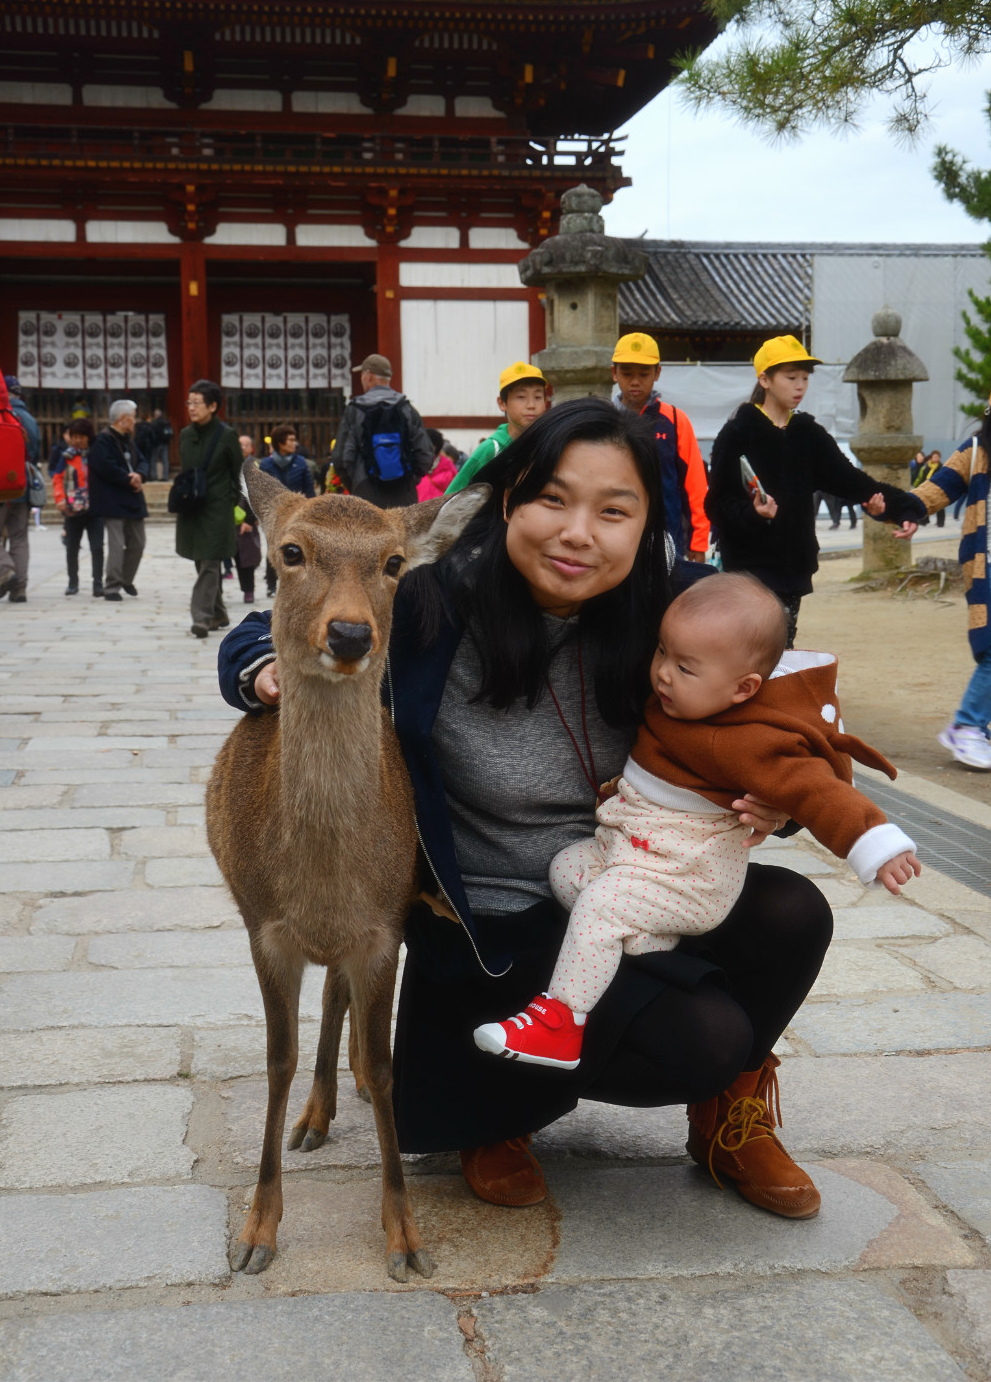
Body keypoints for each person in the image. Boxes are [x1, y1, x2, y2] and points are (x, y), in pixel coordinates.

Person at [219, 398, 833, 1222]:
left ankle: (728, 1112)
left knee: (795, 911)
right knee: (702, 1036)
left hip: (623, 878)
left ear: (648, 520)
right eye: (553, 499)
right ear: (506, 502)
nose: (578, 532)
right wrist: (258, 669)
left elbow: (782, 703)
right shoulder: (431, 602)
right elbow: (282, 619)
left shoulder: (676, 609)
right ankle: (500, 1113)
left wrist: (780, 793)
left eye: (613, 510)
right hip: (496, 924)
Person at [474, 572, 919, 1077]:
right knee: (565, 868)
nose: (663, 673)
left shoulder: (750, 739)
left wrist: (875, 844)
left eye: (684, 667)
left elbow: (816, 789)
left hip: (689, 877)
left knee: (600, 906)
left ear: (743, 688)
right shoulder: (680, 703)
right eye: (662, 652)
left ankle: (560, 1022)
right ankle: (639, 939)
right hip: (629, 852)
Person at [706, 335, 925, 646]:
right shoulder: (738, 432)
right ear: (765, 379)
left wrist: (900, 508)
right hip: (748, 565)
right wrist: (752, 513)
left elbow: (853, 481)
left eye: (805, 378)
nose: (800, 386)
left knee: (782, 647)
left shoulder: (809, 434)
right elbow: (715, 504)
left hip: (794, 566)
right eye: (791, 377)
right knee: (752, 648)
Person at [896, 368, 991, 771]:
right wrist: (910, 510)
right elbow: (941, 484)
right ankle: (965, 726)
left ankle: (975, 731)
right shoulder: (979, 449)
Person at [611, 333, 710, 566]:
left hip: (668, 535)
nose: (635, 381)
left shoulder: (675, 420)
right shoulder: (604, 419)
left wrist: (698, 542)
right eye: (627, 373)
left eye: (644, 374)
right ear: (614, 373)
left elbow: (695, 485)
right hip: (614, 533)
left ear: (657, 373)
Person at [176, 380, 243, 639]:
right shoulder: (185, 435)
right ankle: (218, 613)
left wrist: (232, 501)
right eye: (189, 402)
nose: (191, 408)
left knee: (210, 562)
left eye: (197, 403)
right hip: (192, 506)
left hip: (217, 509)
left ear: (213, 406)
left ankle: (201, 618)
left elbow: (239, 472)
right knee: (200, 559)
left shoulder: (227, 435)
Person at [330, 353, 433, 508]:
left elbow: (342, 457)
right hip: (404, 492)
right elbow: (425, 453)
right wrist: (411, 479)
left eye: (362, 375)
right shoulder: (406, 408)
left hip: (365, 492)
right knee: (403, 532)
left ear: (368, 376)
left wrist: (356, 485)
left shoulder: (355, 410)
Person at [446, 362, 548, 493]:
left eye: (538, 397)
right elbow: (450, 498)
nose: (531, 405)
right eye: (521, 397)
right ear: (502, 403)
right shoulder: (491, 450)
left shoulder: (548, 445)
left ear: (545, 402)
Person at [88, 399, 147, 603]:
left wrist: (139, 474)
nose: (135, 421)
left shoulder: (128, 439)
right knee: (116, 544)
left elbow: (142, 461)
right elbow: (105, 466)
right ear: (124, 419)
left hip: (133, 498)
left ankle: (126, 579)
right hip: (113, 500)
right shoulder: (103, 440)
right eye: (133, 417)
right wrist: (128, 478)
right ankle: (112, 585)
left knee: (138, 543)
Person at [0, 376, 41, 604]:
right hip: (20, 485)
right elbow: (36, 450)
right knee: (19, 537)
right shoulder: (27, 419)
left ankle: (5, 570)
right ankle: (19, 589)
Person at [259, 423, 315, 597]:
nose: (294, 443)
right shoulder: (266, 465)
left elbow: (309, 490)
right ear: (280, 442)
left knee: (297, 550)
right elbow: (261, 491)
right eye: (290, 439)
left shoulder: (301, 463)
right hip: (275, 516)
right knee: (274, 548)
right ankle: (271, 583)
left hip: (299, 515)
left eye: (294, 439)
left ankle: (297, 582)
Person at [52, 418, 103, 597]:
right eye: (75, 437)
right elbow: (58, 478)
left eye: (82, 437)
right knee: (72, 547)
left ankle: (98, 583)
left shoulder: (97, 454)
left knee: (97, 547)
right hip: (73, 508)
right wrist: (60, 498)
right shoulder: (66, 457)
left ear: (89, 437)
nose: (79, 441)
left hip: (95, 507)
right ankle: (72, 582)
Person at [234, 435, 262, 605]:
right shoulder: (231, 463)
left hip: (245, 519)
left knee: (247, 558)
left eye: (246, 445)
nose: (243, 448)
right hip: (228, 518)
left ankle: (248, 590)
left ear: (251, 448)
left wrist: (250, 521)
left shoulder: (254, 466)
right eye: (240, 445)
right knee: (232, 558)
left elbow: (255, 496)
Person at [417, 429, 458, 501]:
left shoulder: (447, 465)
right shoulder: (415, 462)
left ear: (435, 446)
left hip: (440, 507)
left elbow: (456, 486)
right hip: (417, 508)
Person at [913, 450, 947, 527]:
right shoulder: (927, 466)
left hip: (938, 488)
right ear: (931, 458)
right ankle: (924, 520)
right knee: (926, 504)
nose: (936, 458)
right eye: (934, 457)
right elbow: (922, 477)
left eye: (937, 457)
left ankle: (940, 522)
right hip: (928, 488)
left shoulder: (941, 467)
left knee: (940, 506)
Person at [147, 408, 174, 481]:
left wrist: (153, 442)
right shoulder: (166, 422)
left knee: (154, 460)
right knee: (165, 460)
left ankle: (154, 475)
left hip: (156, 444)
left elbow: (152, 434)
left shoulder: (154, 423)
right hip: (165, 443)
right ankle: (165, 476)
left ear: (155, 415)